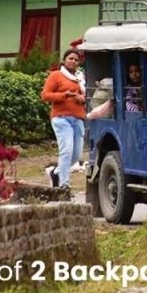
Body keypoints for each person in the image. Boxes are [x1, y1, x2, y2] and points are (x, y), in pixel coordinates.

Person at [41, 49, 87, 189]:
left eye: (76, 60)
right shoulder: (56, 75)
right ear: (64, 60)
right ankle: (64, 185)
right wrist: (63, 95)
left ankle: (56, 173)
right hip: (62, 118)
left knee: (76, 154)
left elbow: (87, 97)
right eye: (70, 58)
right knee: (66, 150)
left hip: (78, 118)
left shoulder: (80, 79)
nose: (73, 61)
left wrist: (82, 99)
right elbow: (45, 96)